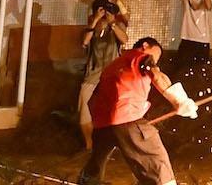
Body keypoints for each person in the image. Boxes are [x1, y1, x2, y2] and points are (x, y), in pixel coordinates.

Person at [77, 39, 198, 185]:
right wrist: (180, 101)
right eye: (156, 54)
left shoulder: (113, 65)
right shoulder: (141, 57)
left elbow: (92, 101)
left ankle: (87, 179)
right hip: (128, 120)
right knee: (158, 165)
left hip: (102, 126)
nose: (156, 61)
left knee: (94, 168)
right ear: (145, 46)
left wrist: (103, 123)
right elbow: (158, 76)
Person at [78, 0, 129, 151]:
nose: (106, 13)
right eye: (102, 10)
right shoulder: (91, 27)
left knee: (115, 108)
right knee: (83, 107)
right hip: (93, 74)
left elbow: (125, 39)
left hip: (112, 74)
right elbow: (84, 42)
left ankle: (115, 144)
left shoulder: (116, 27)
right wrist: (95, 20)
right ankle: (89, 144)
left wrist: (113, 23)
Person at [173, 0, 212, 78]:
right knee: (181, 70)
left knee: (200, 72)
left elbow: (208, 6)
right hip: (187, 37)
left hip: (202, 40)